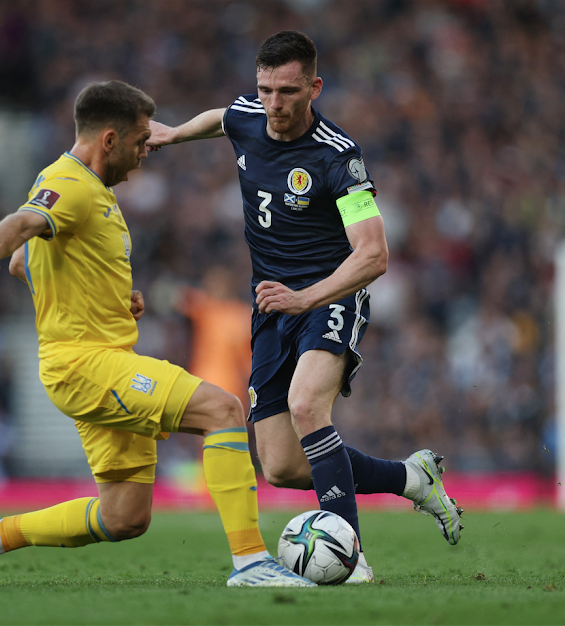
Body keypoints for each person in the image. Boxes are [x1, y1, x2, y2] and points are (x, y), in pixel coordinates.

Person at [0, 80, 313, 589]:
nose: (144, 156)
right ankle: (251, 562)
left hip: (95, 358)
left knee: (124, 517)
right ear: (109, 140)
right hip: (87, 365)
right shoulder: (68, 183)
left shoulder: (93, 191)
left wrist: (109, 298)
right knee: (222, 409)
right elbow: (22, 226)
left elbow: (27, 262)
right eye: (140, 144)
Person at [146, 31, 463, 583]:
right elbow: (221, 116)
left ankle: (352, 556)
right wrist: (173, 134)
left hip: (329, 294)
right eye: (265, 89)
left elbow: (374, 254)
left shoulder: (339, 157)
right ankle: (413, 480)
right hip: (272, 306)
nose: (273, 104)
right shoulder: (248, 114)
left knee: (307, 406)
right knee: (282, 466)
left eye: (288, 91)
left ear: (315, 87)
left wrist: (307, 297)